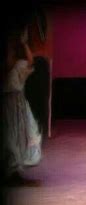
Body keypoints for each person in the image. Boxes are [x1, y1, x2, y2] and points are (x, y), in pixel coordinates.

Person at [2, 27, 42, 185]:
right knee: (10, 140)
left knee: (22, 137)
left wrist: (23, 43)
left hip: (19, 106)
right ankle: (10, 173)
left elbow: (31, 61)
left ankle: (15, 173)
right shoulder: (7, 68)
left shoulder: (18, 65)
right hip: (8, 105)